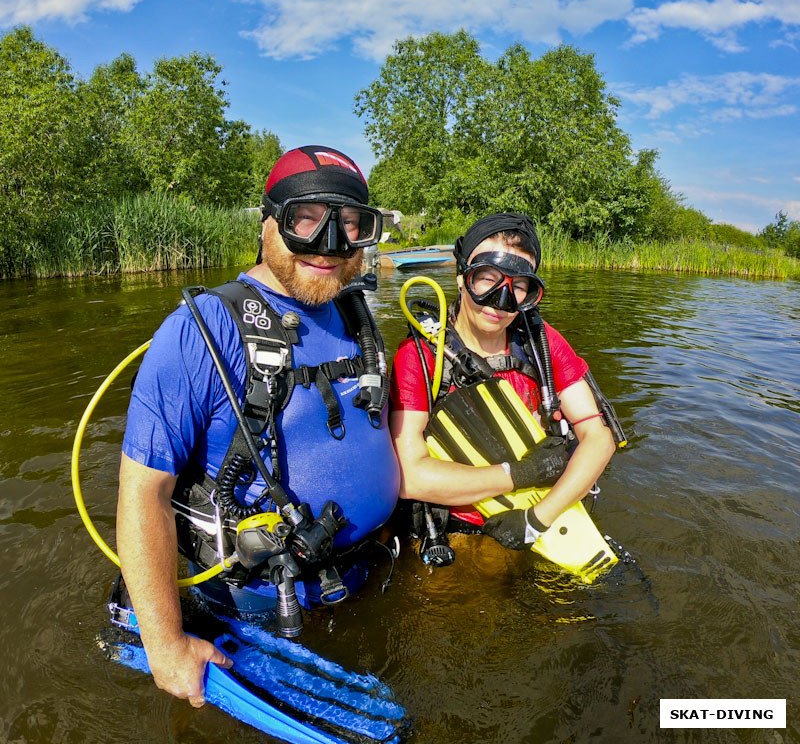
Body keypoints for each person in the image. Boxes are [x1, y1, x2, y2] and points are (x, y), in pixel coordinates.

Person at [117, 146, 401, 707]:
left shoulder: (355, 313)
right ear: (268, 222)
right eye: (306, 219)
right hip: (262, 613)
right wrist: (166, 643)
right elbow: (141, 492)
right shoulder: (199, 332)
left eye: (350, 224)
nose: (329, 244)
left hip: (372, 579)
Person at [389, 212, 616, 551]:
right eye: (487, 278)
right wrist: (519, 474)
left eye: (518, 287)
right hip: (460, 534)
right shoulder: (419, 357)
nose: (500, 300)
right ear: (462, 274)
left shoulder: (540, 342)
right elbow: (407, 475)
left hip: (547, 517)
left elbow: (599, 437)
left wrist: (536, 520)